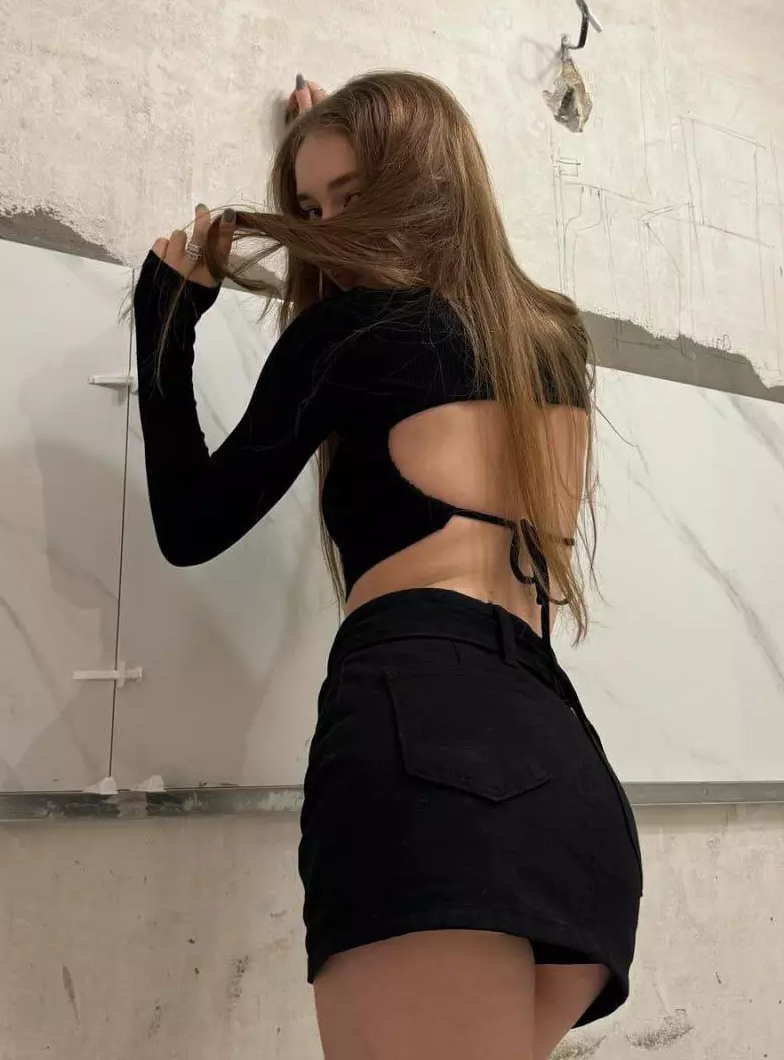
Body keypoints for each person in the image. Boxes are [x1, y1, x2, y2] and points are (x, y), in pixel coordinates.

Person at [134, 72, 641, 1059]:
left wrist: (166, 318)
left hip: (424, 742)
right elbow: (435, 327)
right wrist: (346, 145)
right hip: (565, 773)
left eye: (352, 199)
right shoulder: (552, 335)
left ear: (417, 183)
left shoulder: (348, 335)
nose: (328, 231)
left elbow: (191, 523)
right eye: (312, 212)